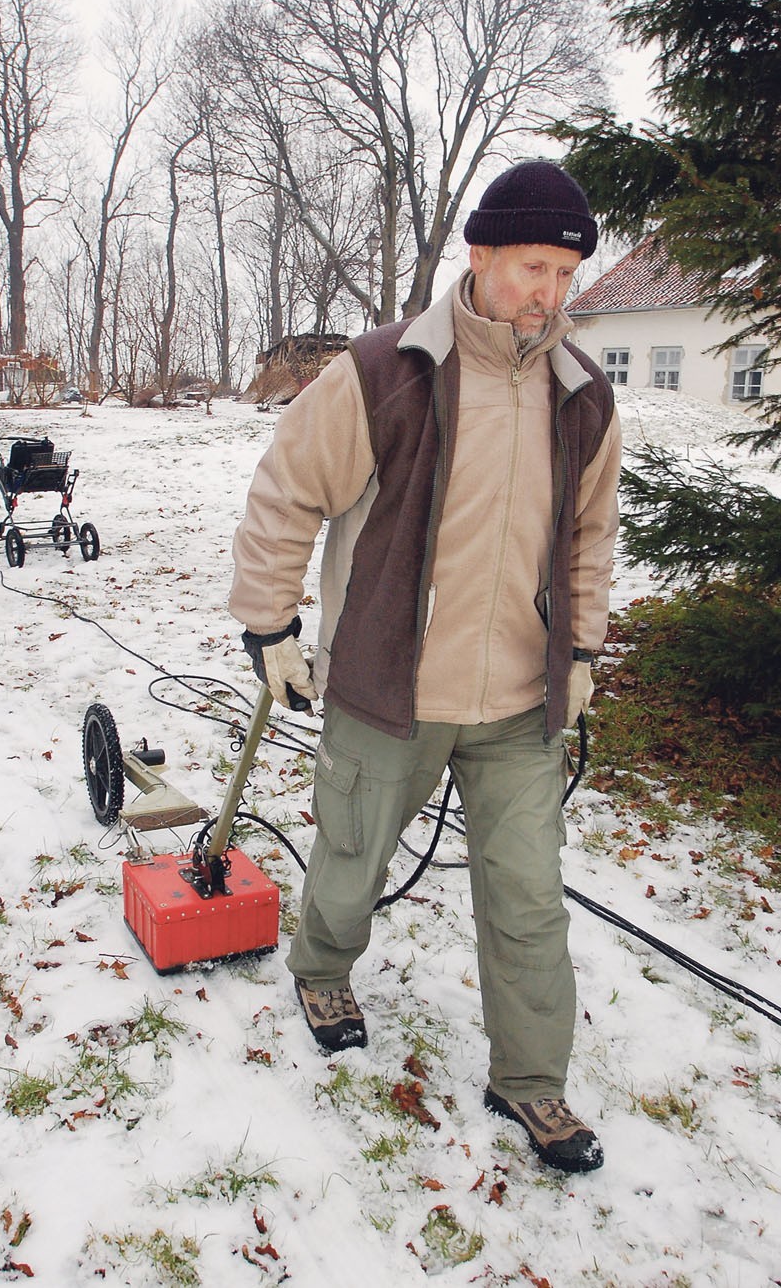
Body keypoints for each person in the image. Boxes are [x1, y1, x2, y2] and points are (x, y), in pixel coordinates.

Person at [229, 160, 621, 1175]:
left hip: (516, 709)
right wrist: (270, 626)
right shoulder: (381, 371)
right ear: (481, 256)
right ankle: (322, 968)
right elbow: (285, 493)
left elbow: (589, 538)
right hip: (389, 688)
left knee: (529, 896)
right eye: (532, 265)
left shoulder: (581, 398)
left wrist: (579, 651)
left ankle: (531, 1080)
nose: (548, 291)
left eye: (566, 273)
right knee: (352, 857)